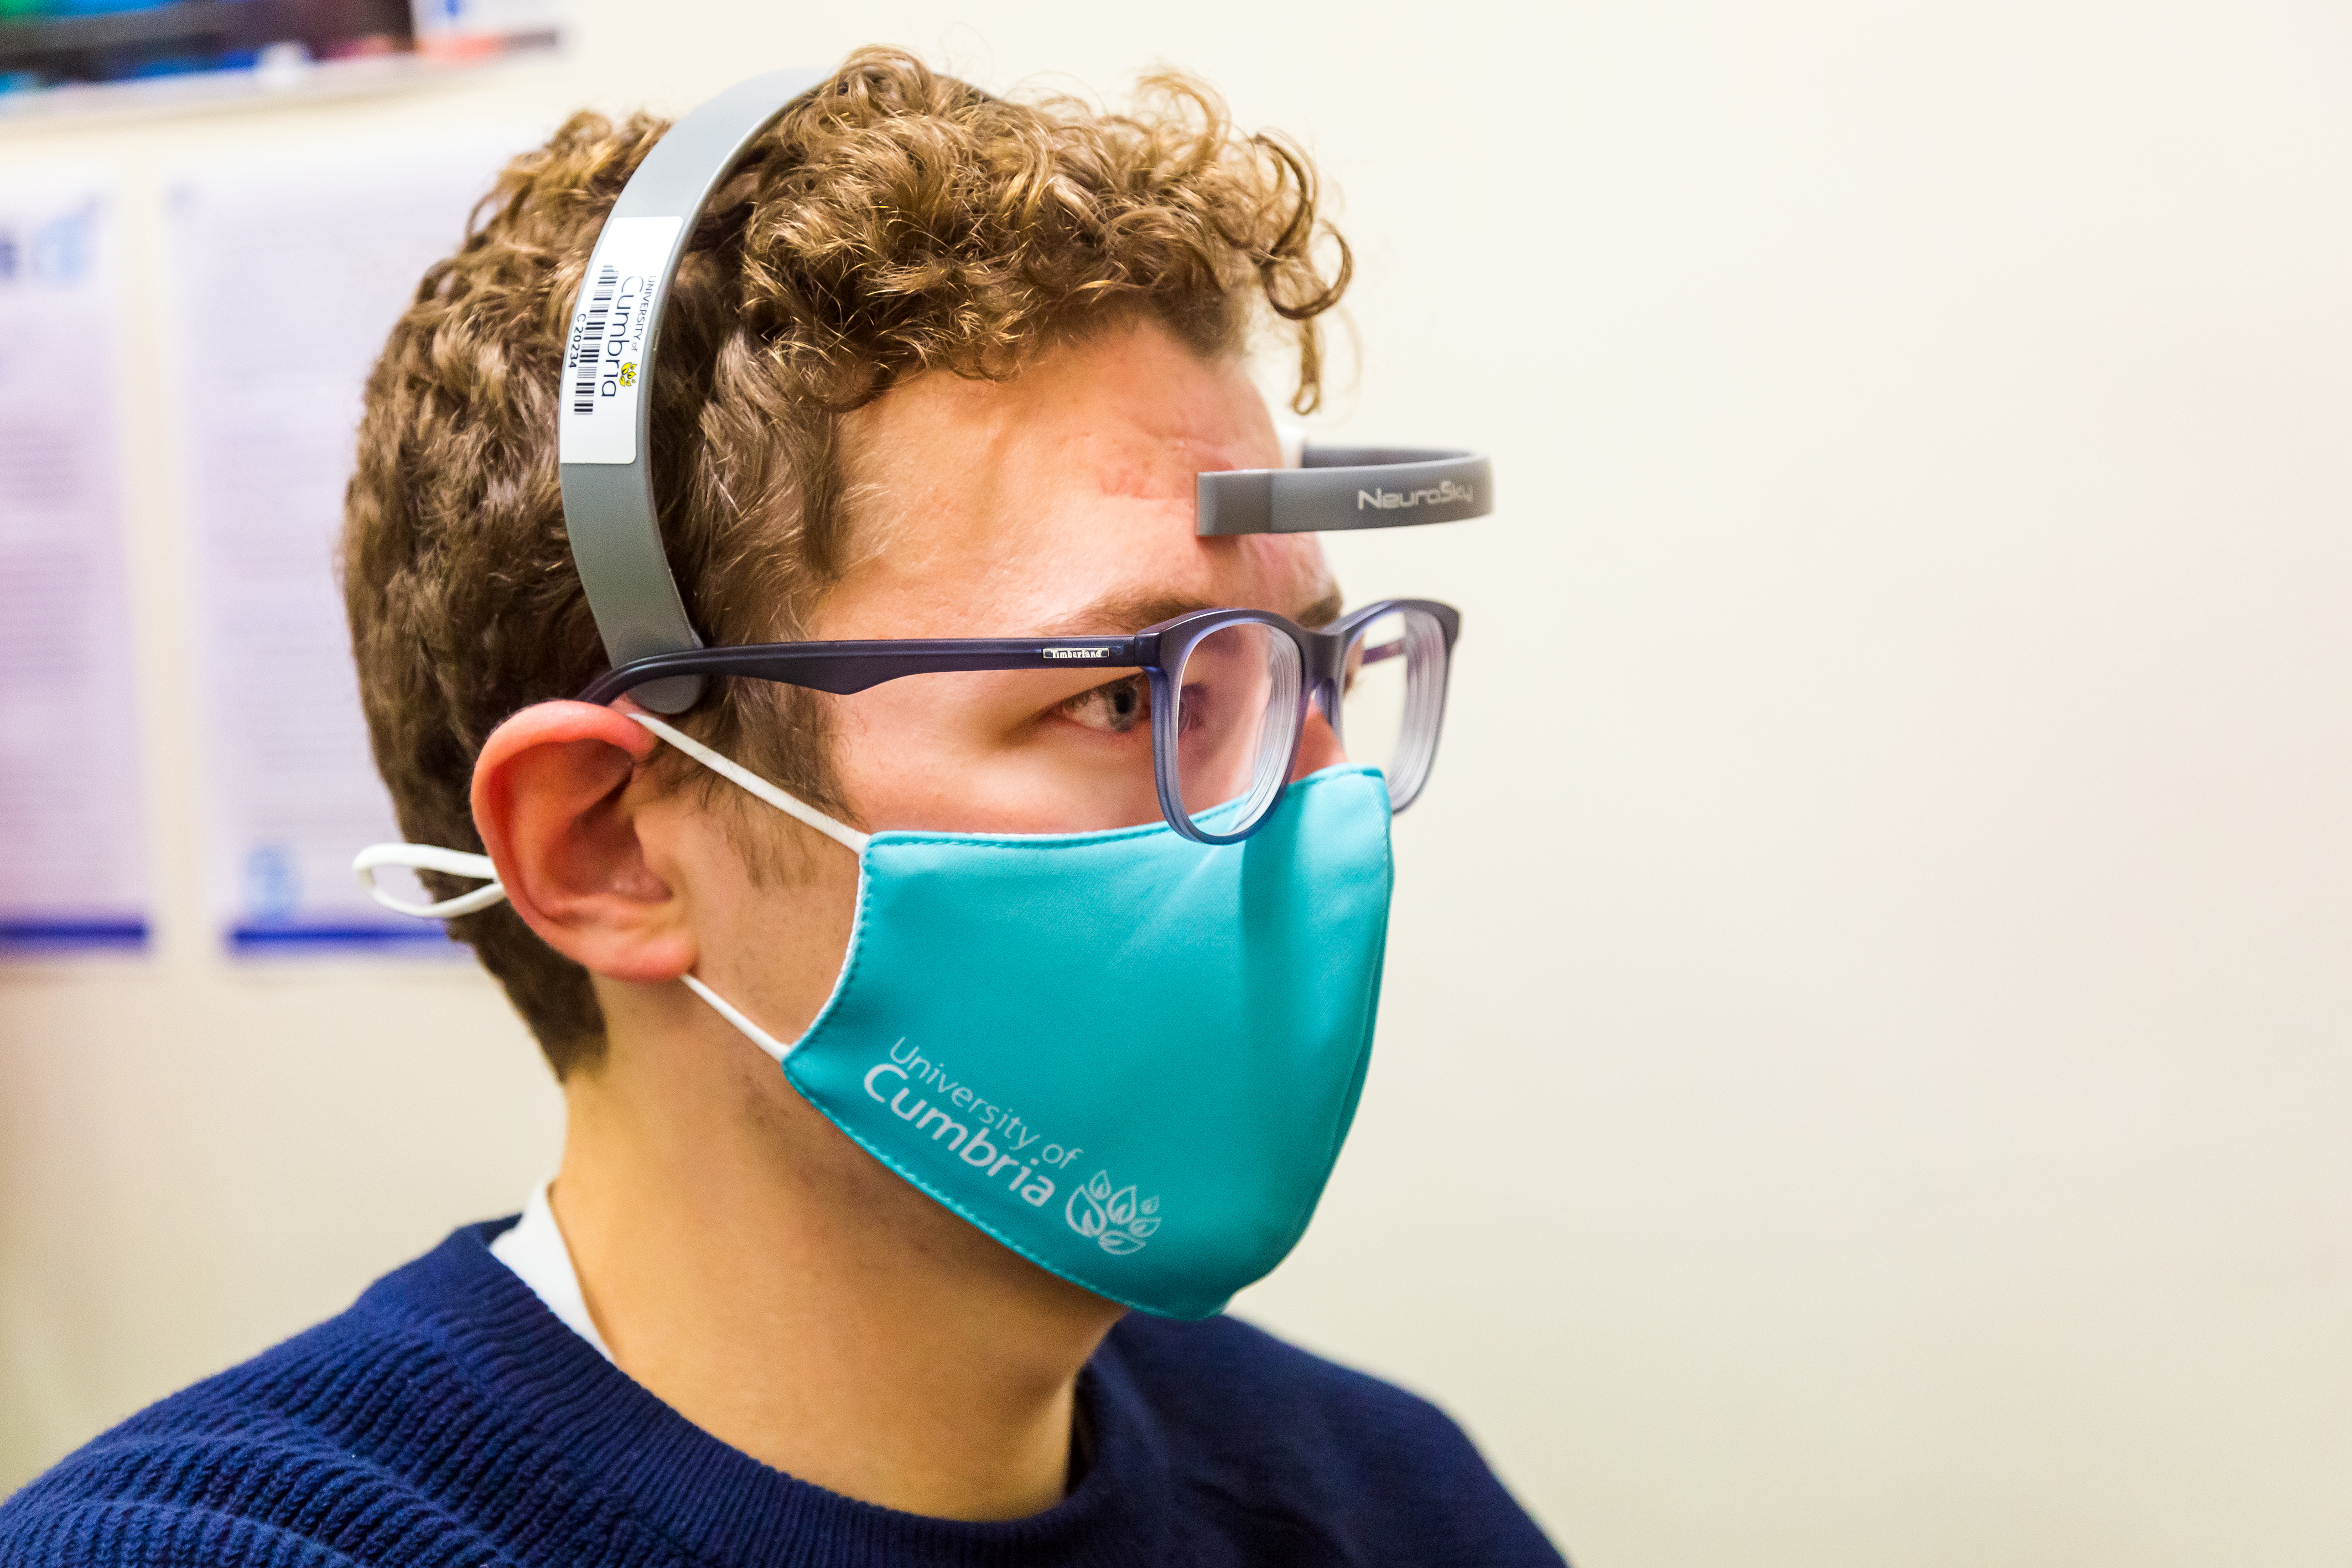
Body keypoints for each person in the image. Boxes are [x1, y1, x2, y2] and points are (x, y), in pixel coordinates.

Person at [0, 48, 1563, 1566]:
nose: (1318, 813)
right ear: (606, 844)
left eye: (1308, 675)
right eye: (1129, 697)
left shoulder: (1388, 1500)